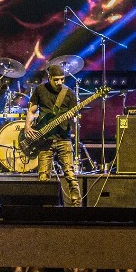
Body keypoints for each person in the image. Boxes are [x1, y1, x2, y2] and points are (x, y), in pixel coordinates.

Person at [24, 64, 81, 206]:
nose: (59, 82)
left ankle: (77, 207)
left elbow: (74, 118)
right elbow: (32, 111)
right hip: (44, 140)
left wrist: (72, 119)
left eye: (62, 79)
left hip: (63, 138)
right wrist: (27, 126)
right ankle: (45, 209)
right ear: (49, 78)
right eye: (56, 80)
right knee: (43, 177)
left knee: (70, 174)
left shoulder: (69, 93)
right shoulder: (40, 90)